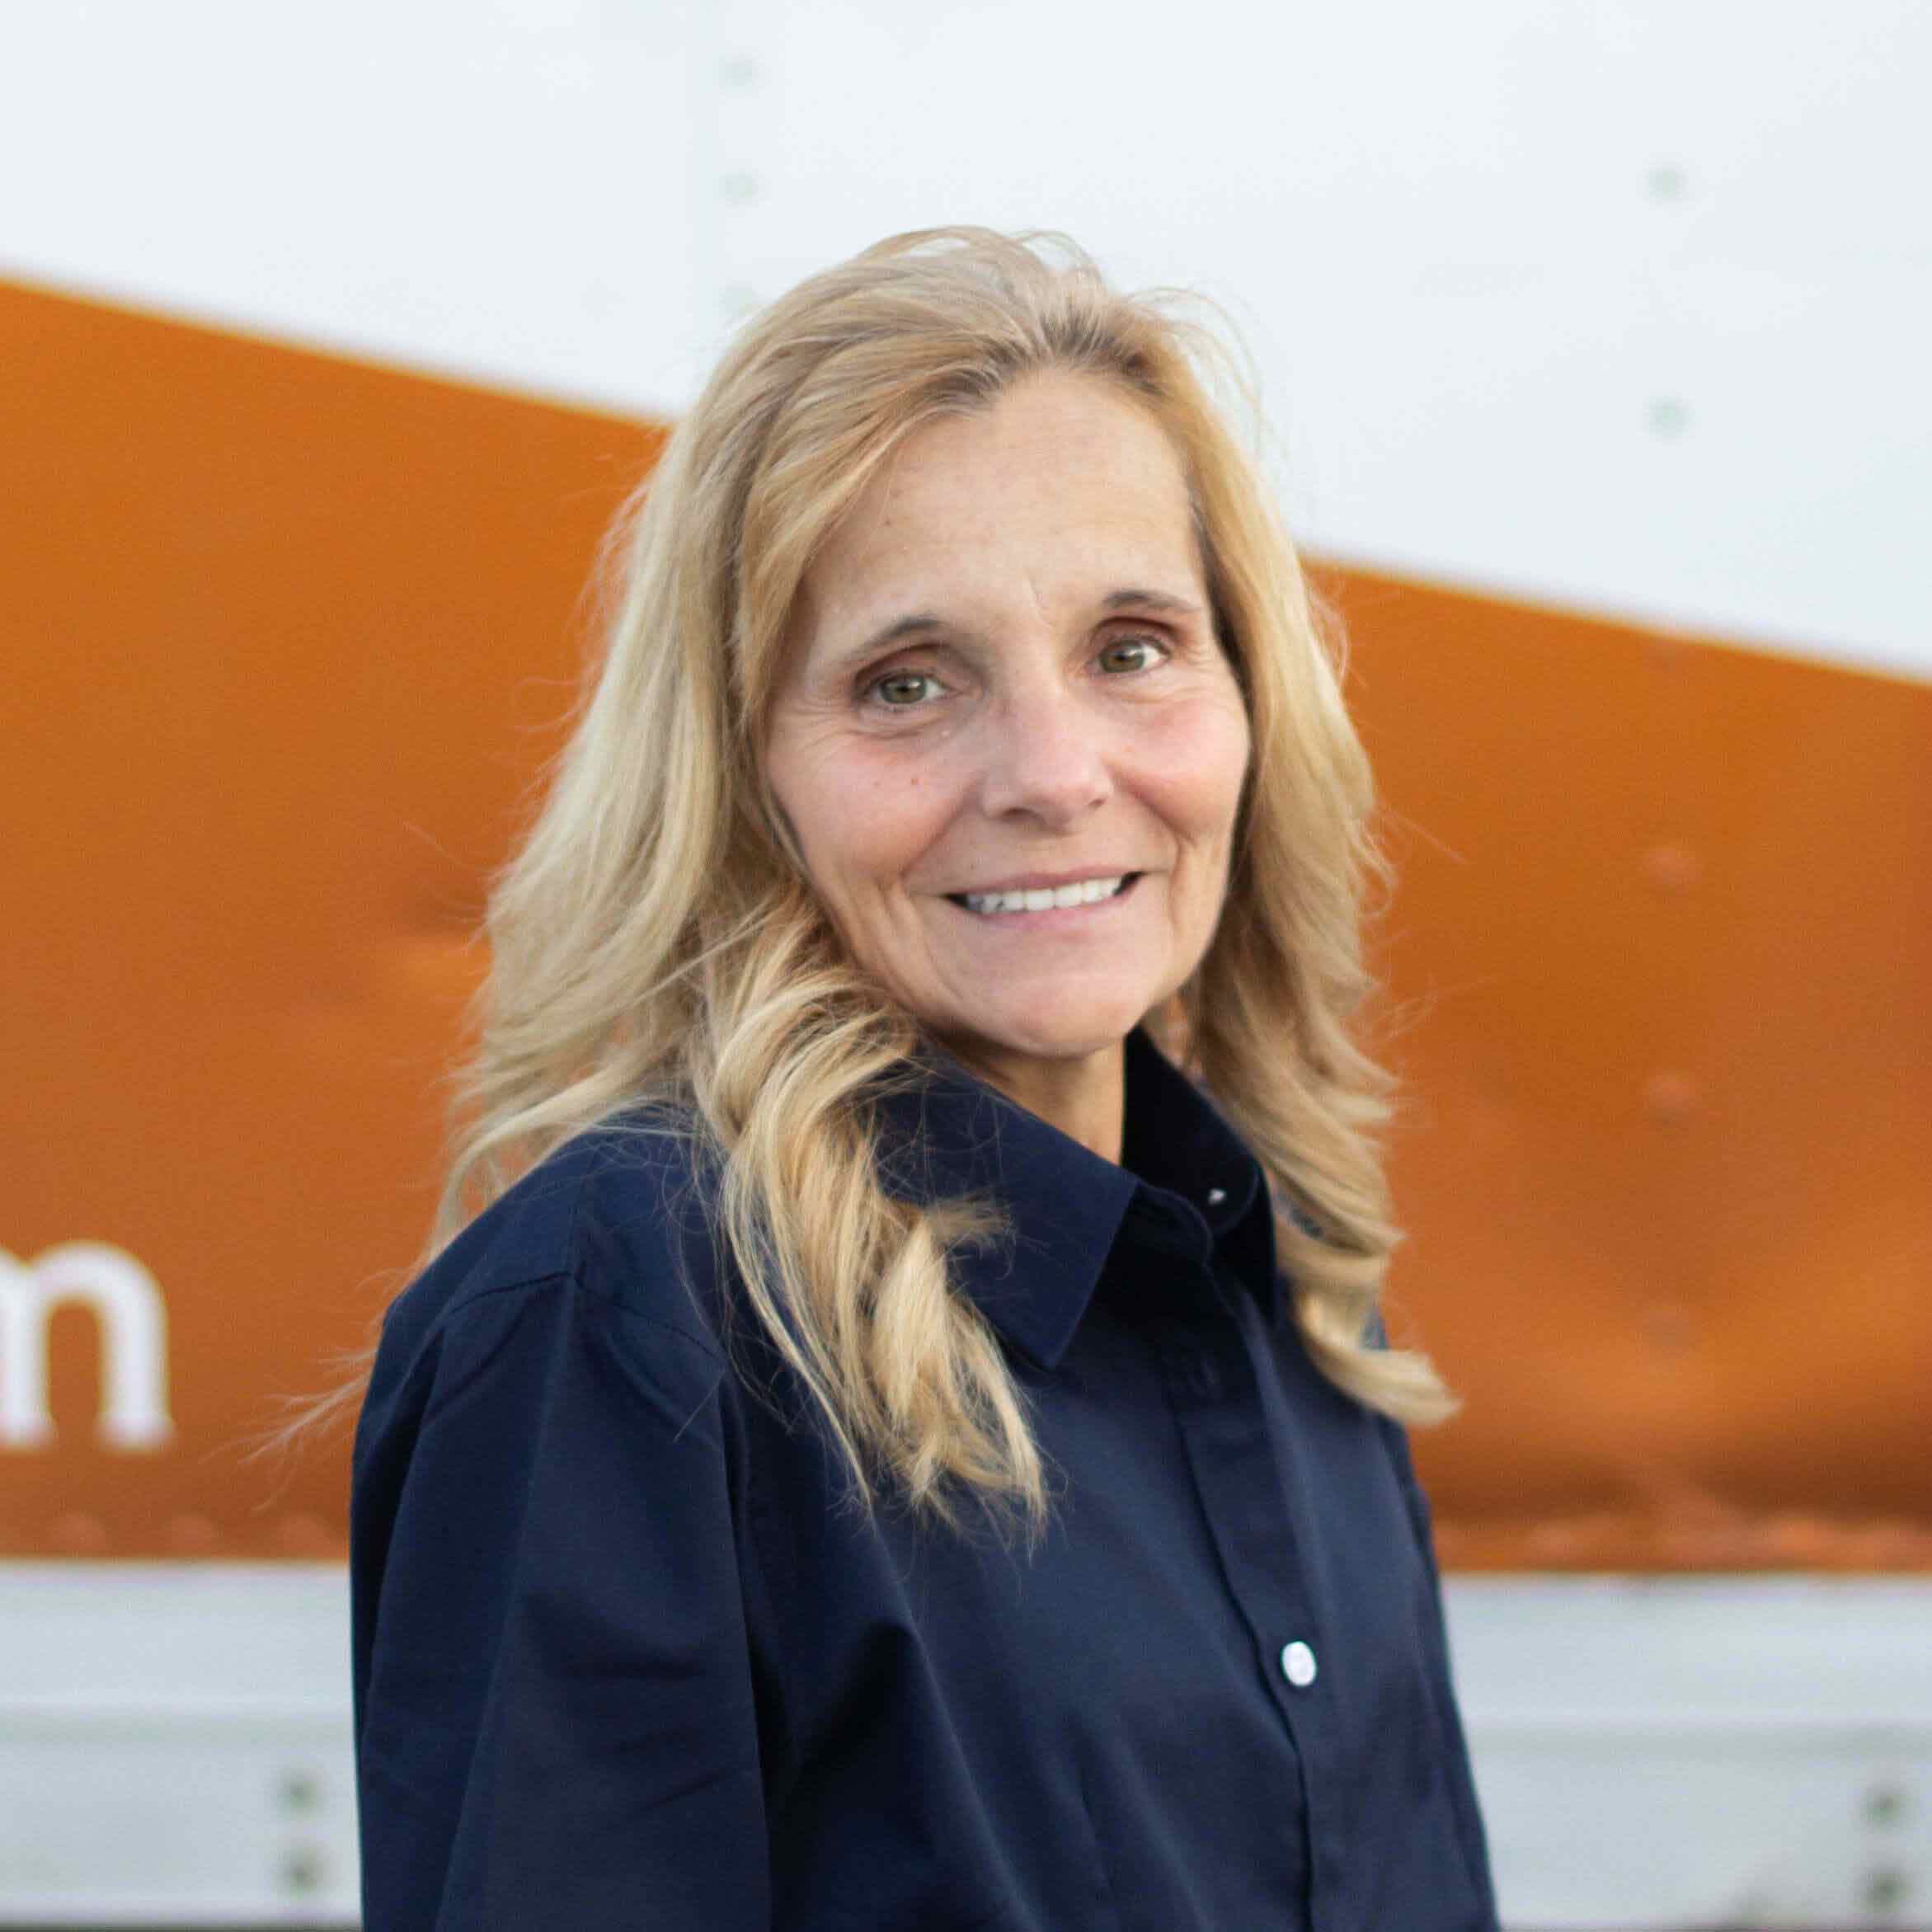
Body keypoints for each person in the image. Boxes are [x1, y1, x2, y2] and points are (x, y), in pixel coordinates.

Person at [349, 225, 1499, 1930]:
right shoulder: (630, 1309)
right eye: (906, 681)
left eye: (1129, 646)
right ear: (747, 774)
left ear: (1253, 698)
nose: (1052, 772)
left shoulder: (1291, 1301)